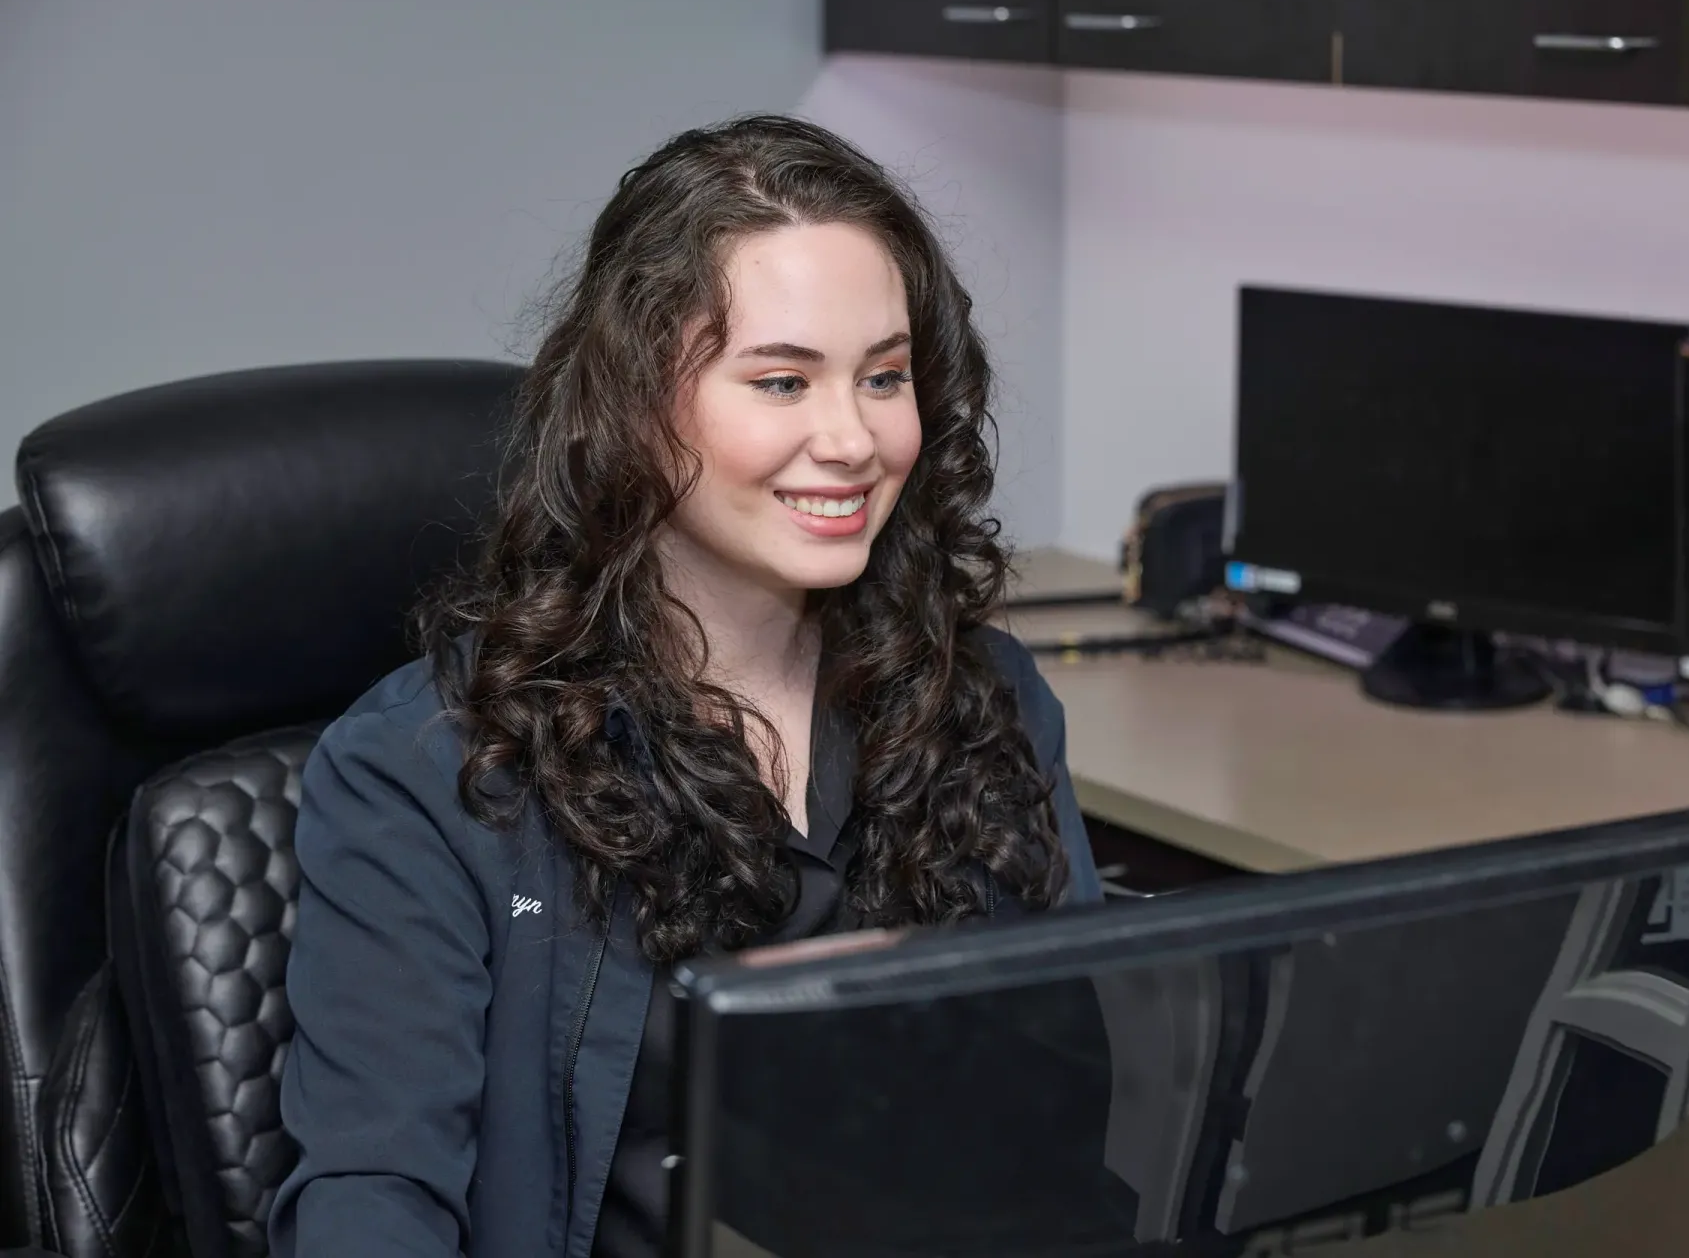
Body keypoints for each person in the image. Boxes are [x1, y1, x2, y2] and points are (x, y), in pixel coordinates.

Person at [267, 114, 1102, 1258]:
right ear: (633, 405)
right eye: (781, 379)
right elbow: (372, 1206)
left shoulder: (986, 701)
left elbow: (1084, 1127)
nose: (852, 438)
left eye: (884, 376)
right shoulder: (434, 771)